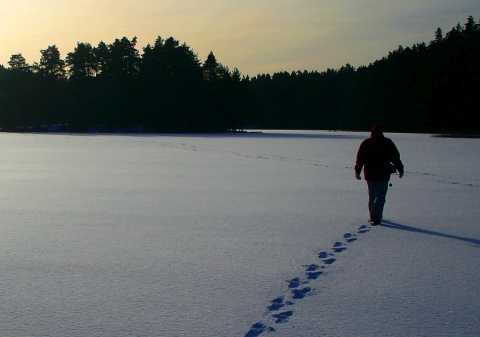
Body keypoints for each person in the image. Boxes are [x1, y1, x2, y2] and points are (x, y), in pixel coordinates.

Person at [355, 124, 404, 225]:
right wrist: (400, 169)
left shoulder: (366, 143)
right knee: (380, 196)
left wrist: (357, 171)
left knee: (372, 196)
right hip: (383, 174)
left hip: (369, 174)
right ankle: (376, 216)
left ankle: (373, 214)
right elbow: (395, 158)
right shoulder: (388, 143)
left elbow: (360, 159)